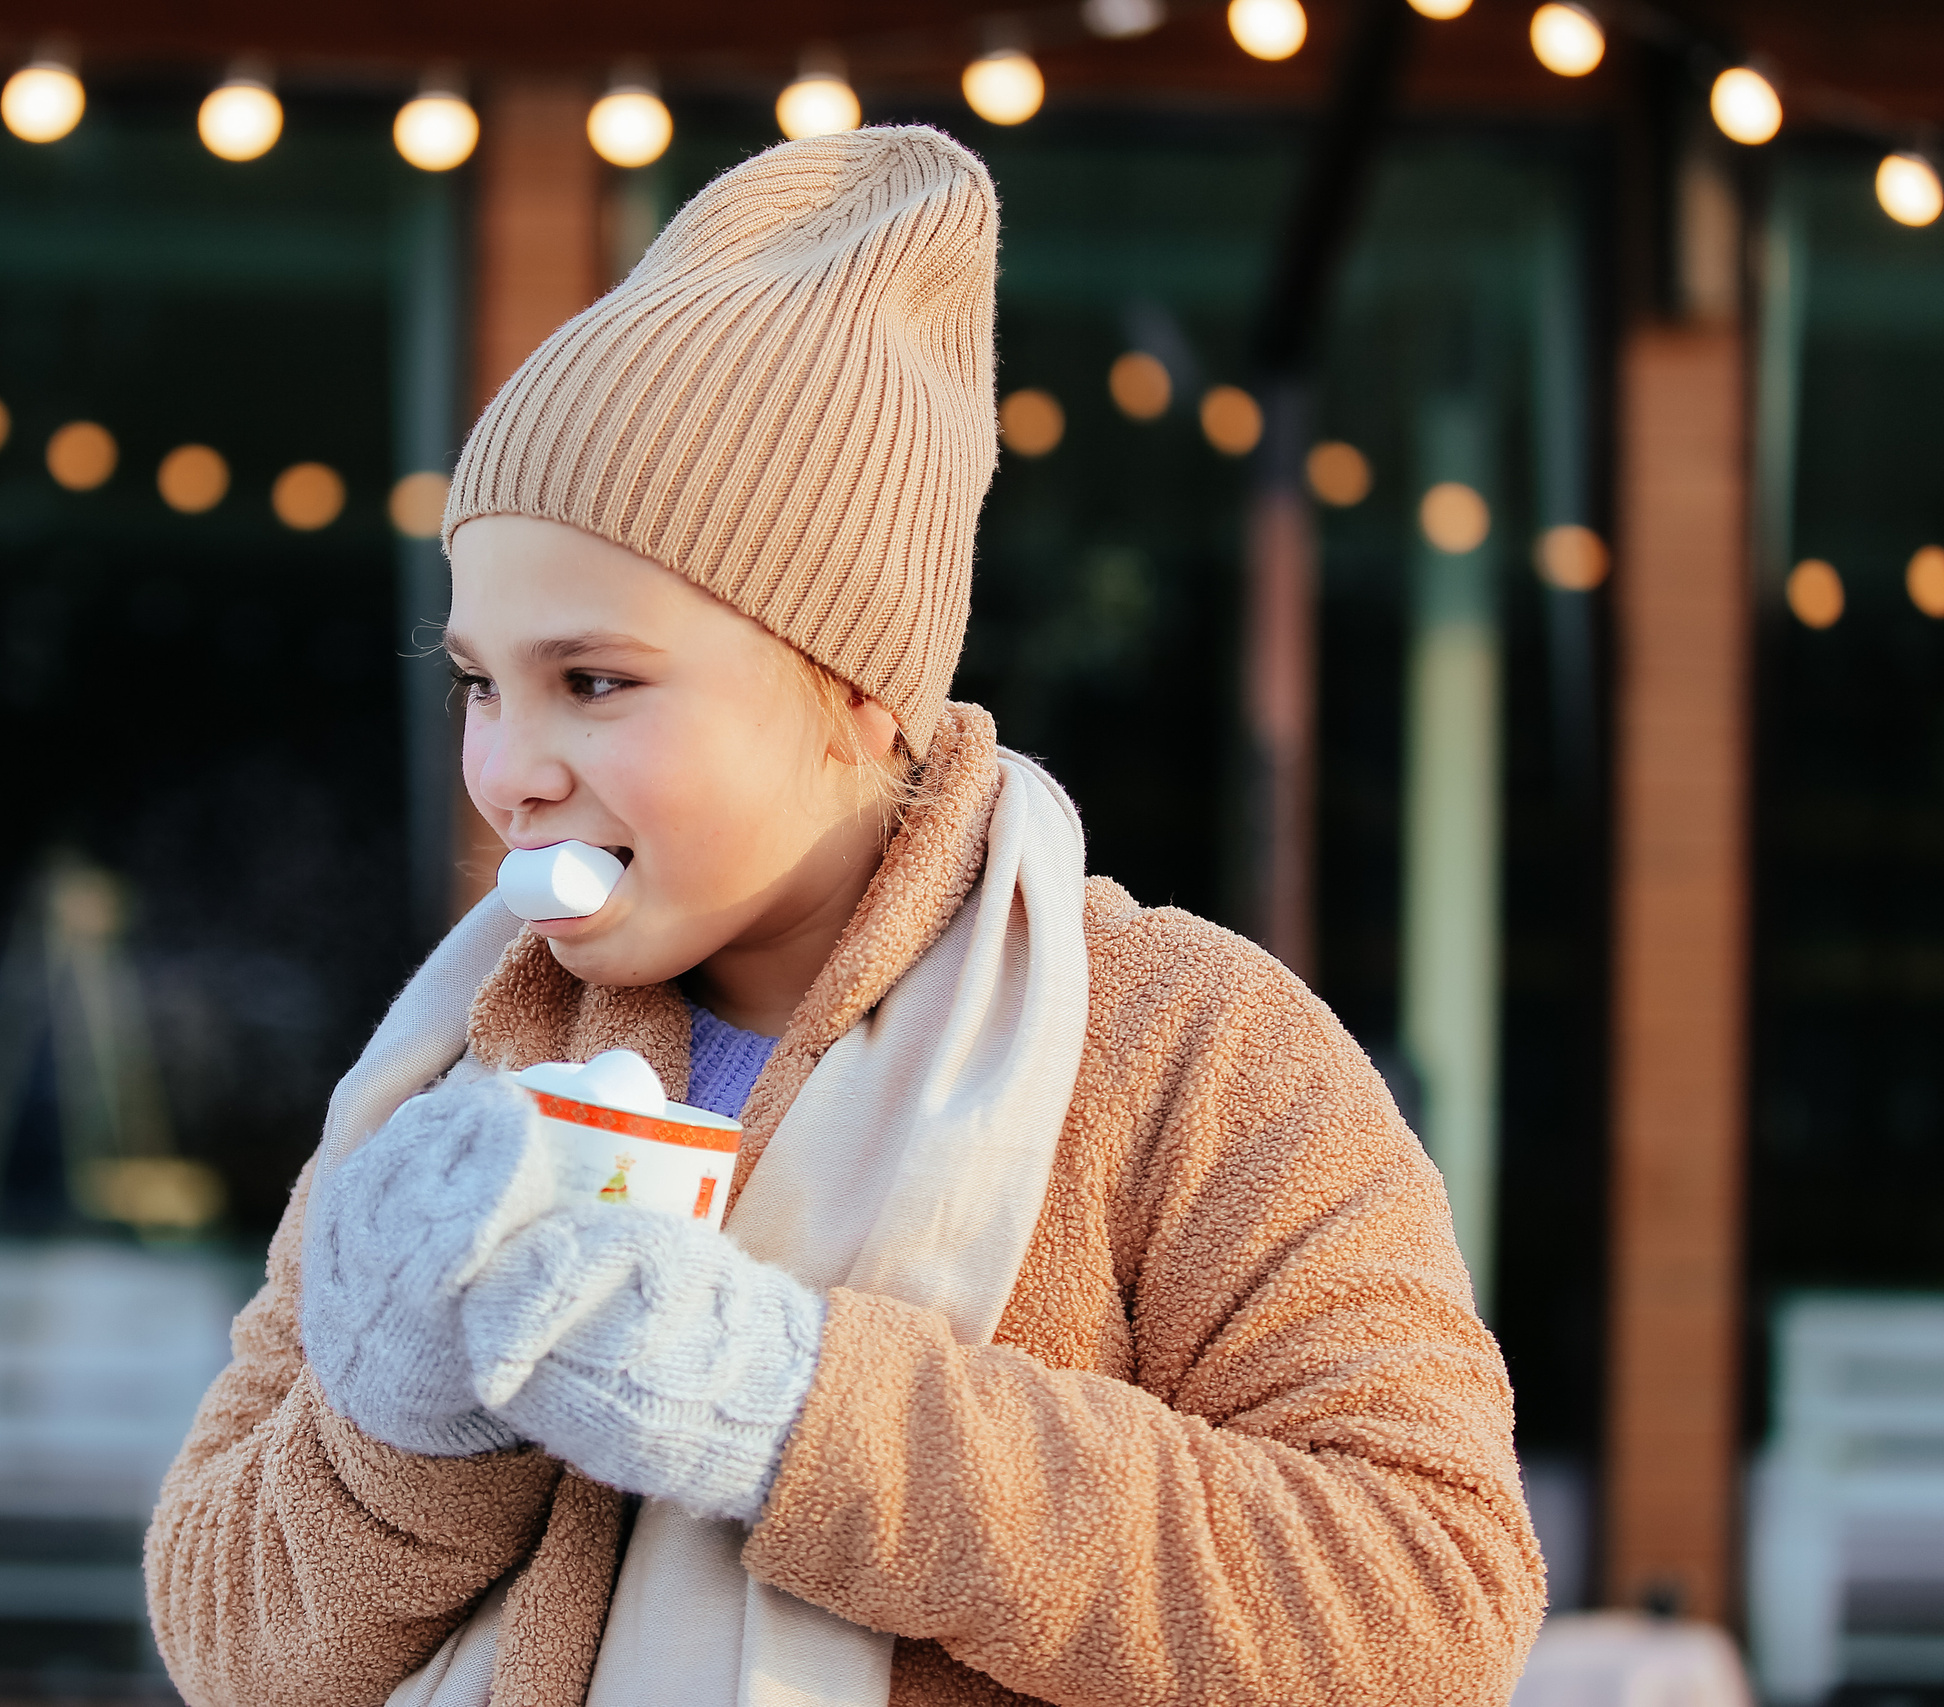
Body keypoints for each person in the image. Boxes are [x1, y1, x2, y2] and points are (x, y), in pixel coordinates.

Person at [145, 126, 1543, 1707]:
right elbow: (225, 1640)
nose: (508, 772)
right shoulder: (456, 1079)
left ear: (867, 698)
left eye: (593, 682)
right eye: (480, 682)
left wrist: (791, 1410)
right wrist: (405, 1436)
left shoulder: (1185, 1051)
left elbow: (1429, 1603)